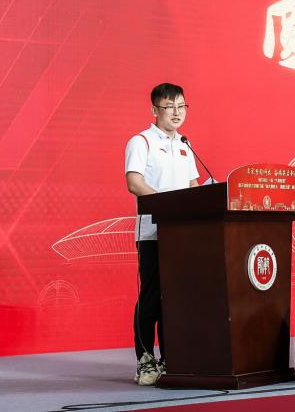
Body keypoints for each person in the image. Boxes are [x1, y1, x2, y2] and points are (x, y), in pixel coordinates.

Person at [124, 82, 199, 385]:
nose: (176, 113)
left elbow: (194, 187)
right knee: (152, 297)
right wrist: (169, 206)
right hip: (153, 233)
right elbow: (134, 182)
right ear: (155, 110)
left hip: (181, 235)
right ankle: (145, 361)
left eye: (181, 106)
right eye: (169, 107)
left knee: (175, 299)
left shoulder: (185, 144)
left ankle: (172, 358)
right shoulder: (141, 141)